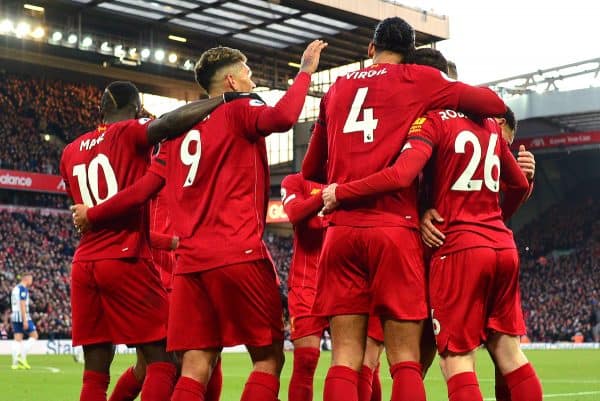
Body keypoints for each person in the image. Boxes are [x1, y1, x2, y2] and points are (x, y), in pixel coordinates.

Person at [71, 40, 328, 401]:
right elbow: (283, 118)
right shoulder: (241, 107)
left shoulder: (176, 132)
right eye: (249, 75)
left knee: (194, 367)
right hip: (238, 252)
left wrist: (94, 213)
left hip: (189, 265)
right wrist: (304, 72)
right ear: (232, 83)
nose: (253, 82)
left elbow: (147, 186)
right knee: (268, 359)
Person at [301, 17, 506, 401]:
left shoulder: (338, 88)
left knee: (345, 357)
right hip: (394, 230)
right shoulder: (417, 79)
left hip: (341, 233)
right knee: (405, 361)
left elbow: (310, 168)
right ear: (411, 56)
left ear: (370, 49)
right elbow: (493, 104)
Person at [321, 106, 542, 401]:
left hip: (447, 251)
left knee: (432, 361)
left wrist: (342, 193)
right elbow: (512, 187)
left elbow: (404, 174)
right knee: (506, 355)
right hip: (478, 247)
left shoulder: (437, 124)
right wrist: (425, 211)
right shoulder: (483, 126)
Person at [60, 80, 243, 401]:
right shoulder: (130, 131)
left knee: (95, 372)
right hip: (125, 256)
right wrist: (222, 100)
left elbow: (78, 208)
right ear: (136, 109)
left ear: (101, 108)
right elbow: (169, 123)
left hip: (84, 263)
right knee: (163, 361)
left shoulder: (70, 150)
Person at [280, 172, 327, 401]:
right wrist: (330, 195)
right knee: (306, 361)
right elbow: (295, 213)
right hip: (306, 282)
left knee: (364, 364)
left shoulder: (353, 176)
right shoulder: (295, 182)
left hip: (350, 279)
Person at [10, 272, 38, 370]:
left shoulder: (15, 288)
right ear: (26, 278)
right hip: (22, 316)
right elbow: (22, 304)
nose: (32, 281)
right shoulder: (23, 289)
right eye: (31, 278)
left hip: (15, 316)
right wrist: (25, 320)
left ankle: (15, 363)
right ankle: (22, 356)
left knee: (18, 339)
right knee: (34, 335)